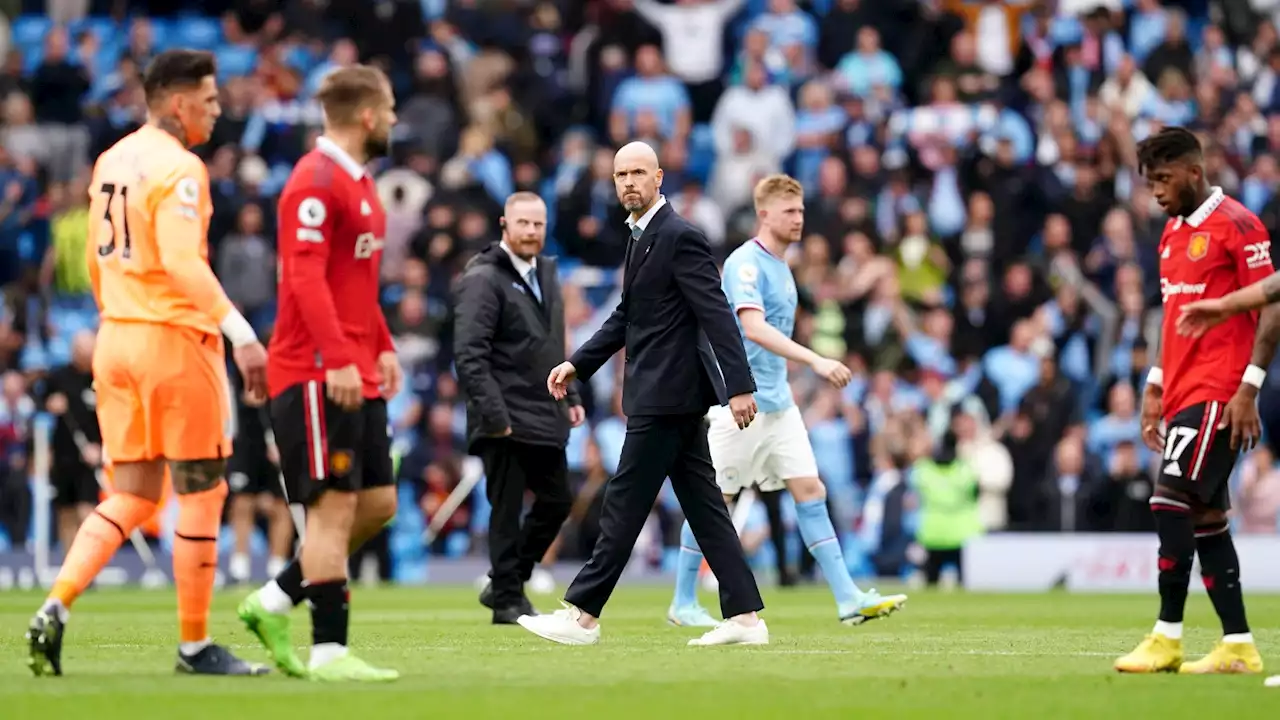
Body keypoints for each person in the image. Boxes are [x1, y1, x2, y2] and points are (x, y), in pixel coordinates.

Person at [26, 49, 270, 677]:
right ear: (177, 101)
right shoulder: (181, 166)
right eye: (210, 101)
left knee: (131, 493)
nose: (217, 112)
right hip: (172, 341)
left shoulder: (112, 157)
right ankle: (194, 646)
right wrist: (240, 333)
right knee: (202, 489)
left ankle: (56, 603)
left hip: (114, 341)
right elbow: (183, 261)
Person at [521, 140, 767, 647]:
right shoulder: (640, 237)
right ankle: (746, 619)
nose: (628, 182)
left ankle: (583, 616)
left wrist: (740, 386)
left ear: (659, 178)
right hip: (665, 394)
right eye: (620, 175)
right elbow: (626, 317)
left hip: (667, 394)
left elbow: (716, 312)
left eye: (638, 172)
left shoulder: (680, 236)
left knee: (625, 503)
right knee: (704, 508)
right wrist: (578, 363)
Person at [667, 174, 906, 627]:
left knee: (810, 490)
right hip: (742, 402)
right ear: (764, 214)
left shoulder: (782, 265)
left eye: (800, 211)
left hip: (779, 404)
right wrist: (815, 360)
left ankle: (847, 598)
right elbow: (752, 328)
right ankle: (682, 600)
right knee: (714, 498)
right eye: (789, 212)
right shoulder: (746, 265)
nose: (799, 219)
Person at [235, 64, 401, 683]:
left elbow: (355, 282)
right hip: (313, 370)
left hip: (357, 366)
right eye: (387, 110)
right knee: (331, 511)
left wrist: (380, 345)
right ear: (366, 115)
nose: (392, 120)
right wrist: (336, 358)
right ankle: (329, 651)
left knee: (378, 503)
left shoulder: (361, 183)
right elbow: (301, 279)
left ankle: (275, 599)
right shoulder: (313, 180)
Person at [1113, 126, 1280, 676]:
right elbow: (1171, 316)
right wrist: (1155, 385)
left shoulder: (1237, 223)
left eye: (1162, 179)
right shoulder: (1169, 235)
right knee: (1206, 517)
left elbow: (1273, 301)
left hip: (1220, 388)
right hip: (1182, 387)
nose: (1156, 192)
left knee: (1169, 500)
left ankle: (1167, 634)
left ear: (1193, 171)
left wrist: (1250, 385)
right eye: (1148, 182)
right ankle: (1237, 645)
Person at [453, 191, 580, 625]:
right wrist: (494, 414)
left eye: (538, 224)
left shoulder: (546, 270)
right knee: (505, 509)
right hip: (503, 412)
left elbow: (554, 343)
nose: (531, 231)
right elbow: (469, 353)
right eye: (523, 223)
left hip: (545, 407)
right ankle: (507, 599)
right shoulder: (483, 277)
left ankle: (506, 583)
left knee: (557, 501)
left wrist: (573, 394)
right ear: (504, 225)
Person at [225, 362, 292, 585]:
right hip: (245, 446)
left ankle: (277, 567)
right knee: (243, 503)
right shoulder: (240, 371)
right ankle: (239, 566)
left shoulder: (285, 376)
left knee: (281, 506)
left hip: (279, 443)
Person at [42, 330, 102, 552]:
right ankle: (70, 566)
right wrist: (50, 403)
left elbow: (113, 419)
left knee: (86, 512)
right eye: (80, 350)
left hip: (90, 458)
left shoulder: (101, 379)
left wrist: (100, 448)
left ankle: (87, 562)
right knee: (66, 514)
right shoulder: (58, 377)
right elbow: (38, 399)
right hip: (63, 455)